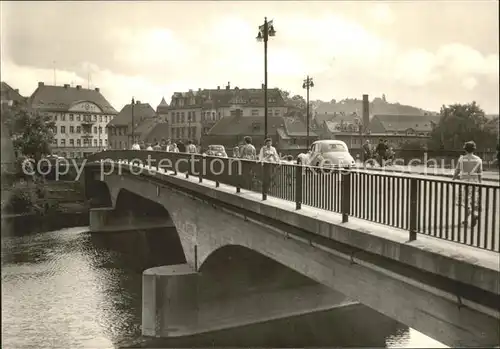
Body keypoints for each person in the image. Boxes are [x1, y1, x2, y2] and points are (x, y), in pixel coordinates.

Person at [452, 141, 482, 227]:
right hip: (474, 183)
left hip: (464, 183)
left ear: (465, 149)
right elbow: (480, 173)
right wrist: (480, 183)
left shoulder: (462, 159)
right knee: (472, 201)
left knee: (464, 202)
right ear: (474, 149)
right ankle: (467, 218)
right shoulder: (478, 159)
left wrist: (453, 179)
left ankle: (472, 214)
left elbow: (457, 170)